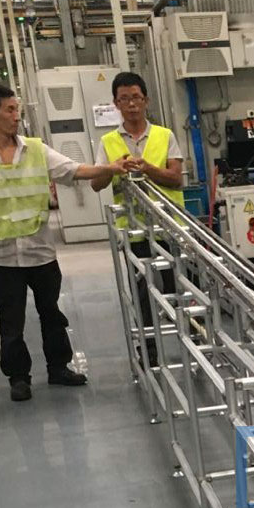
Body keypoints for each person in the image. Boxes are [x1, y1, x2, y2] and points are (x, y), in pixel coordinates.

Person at [0, 83, 125, 402]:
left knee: (51, 312)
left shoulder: (36, 149)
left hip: (40, 250)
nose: (17, 116)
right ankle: (18, 378)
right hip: (2, 254)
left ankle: (59, 368)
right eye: (10, 110)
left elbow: (73, 170)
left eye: (18, 109)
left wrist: (110, 167)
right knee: (10, 321)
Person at [91, 72, 185, 367]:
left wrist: (148, 169)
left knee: (180, 287)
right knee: (142, 293)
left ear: (146, 100)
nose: (131, 104)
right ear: (116, 104)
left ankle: (192, 339)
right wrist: (112, 168)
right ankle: (149, 351)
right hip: (134, 232)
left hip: (168, 227)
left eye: (136, 97)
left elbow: (176, 179)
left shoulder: (165, 136)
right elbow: (96, 184)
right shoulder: (108, 141)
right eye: (124, 99)